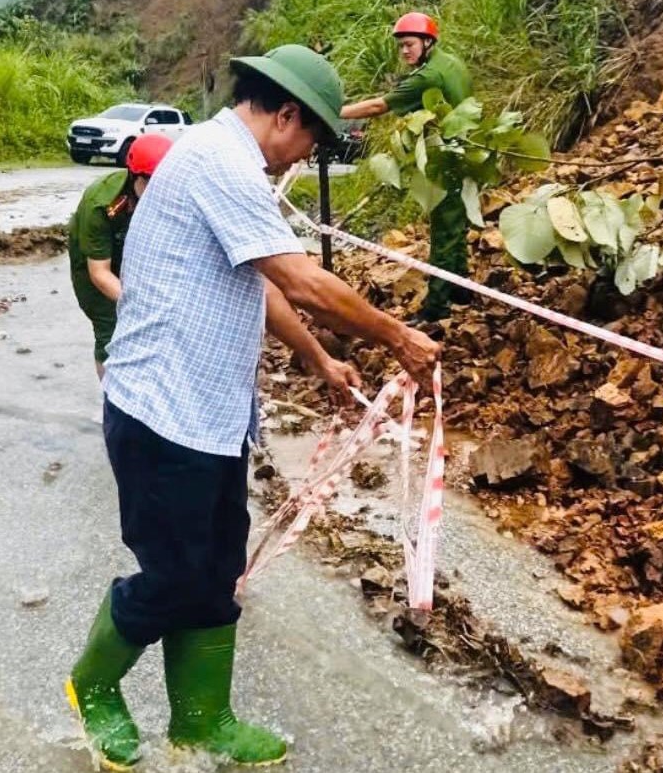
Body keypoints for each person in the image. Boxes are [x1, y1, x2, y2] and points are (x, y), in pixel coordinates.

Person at [65, 44, 441, 769]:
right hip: (160, 411)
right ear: (286, 116)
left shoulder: (223, 163)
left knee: (215, 571)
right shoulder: (218, 161)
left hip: (211, 414)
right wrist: (396, 335)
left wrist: (317, 357)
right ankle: (94, 683)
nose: (304, 154)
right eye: (312, 140)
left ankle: (202, 718)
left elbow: (265, 285)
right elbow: (300, 279)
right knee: (173, 573)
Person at [341, 12, 474, 321]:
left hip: (447, 158)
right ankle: (462, 291)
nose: (404, 52)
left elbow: (378, 106)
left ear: (427, 42)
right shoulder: (451, 62)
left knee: (444, 232)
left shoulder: (427, 76)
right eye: (400, 46)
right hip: (465, 151)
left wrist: (332, 110)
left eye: (410, 44)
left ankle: (436, 309)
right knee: (456, 224)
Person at [67, 133, 173, 379]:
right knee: (111, 330)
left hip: (131, 251)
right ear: (136, 176)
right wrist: (138, 302)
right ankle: (112, 405)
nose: (160, 192)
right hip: (95, 263)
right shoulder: (102, 204)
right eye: (152, 183)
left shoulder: (165, 193)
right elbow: (100, 273)